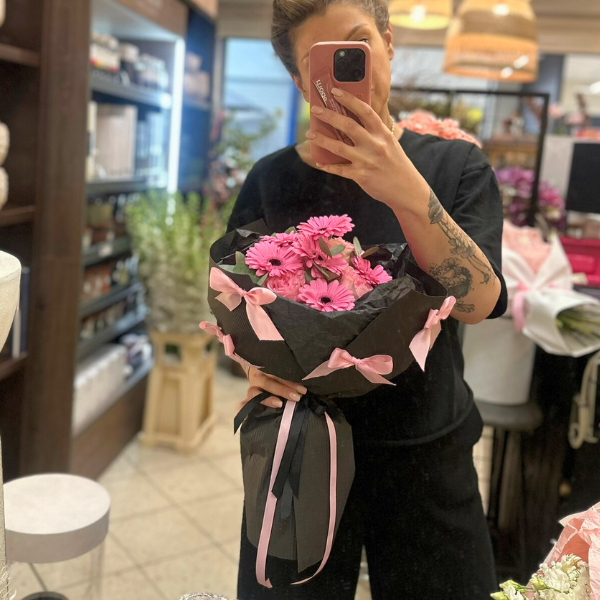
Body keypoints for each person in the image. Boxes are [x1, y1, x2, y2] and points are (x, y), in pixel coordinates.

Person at [227, 0, 508, 597]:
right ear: (300, 80)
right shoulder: (271, 180)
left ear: (388, 42)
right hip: (302, 445)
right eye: (322, 62)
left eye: (358, 47)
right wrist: (252, 363)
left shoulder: (456, 166)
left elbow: (480, 302)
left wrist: (404, 188)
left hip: (425, 450)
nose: (348, 71)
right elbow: (237, 302)